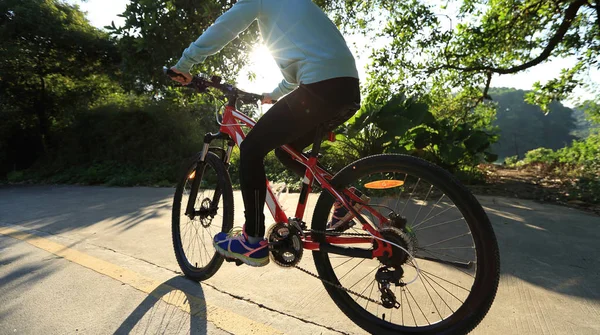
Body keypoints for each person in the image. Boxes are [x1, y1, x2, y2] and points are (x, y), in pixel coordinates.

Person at [169, 0, 360, 267]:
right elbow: (296, 75)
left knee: (251, 148)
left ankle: (252, 239)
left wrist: (185, 64)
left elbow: (224, 28)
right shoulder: (296, 6)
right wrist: (272, 95)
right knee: (286, 149)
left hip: (320, 86)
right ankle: (346, 200)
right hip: (346, 89)